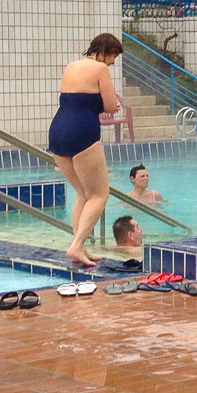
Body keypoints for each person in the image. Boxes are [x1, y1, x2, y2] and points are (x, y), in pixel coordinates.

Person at [48, 33, 123, 266]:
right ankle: (77, 246)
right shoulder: (100, 70)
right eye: (113, 57)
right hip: (82, 132)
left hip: (57, 131)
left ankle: (79, 246)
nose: (112, 63)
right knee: (100, 194)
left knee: (83, 193)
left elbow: (76, 98)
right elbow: (110, 106)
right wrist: (115, 105)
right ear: (105, 52)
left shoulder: (71, 66)